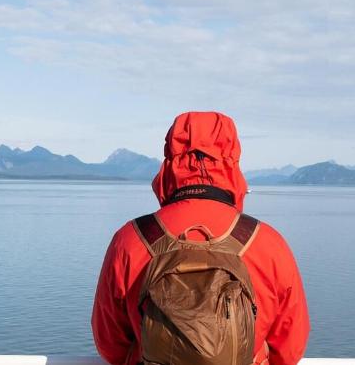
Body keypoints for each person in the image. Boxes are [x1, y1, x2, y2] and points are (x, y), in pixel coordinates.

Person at [92, 111, 310, 365]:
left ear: (169, 163)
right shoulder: (268, 243)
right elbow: (290, 350)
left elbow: (110, 345)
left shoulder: (130, 240)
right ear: (233, 163)